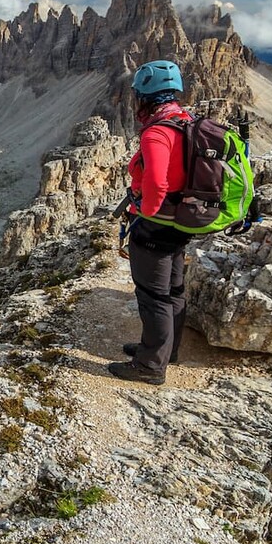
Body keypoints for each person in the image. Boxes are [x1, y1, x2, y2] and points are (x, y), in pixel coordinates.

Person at [107, 60, 194, 386]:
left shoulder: (157, 132)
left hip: (157, 223)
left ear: (144, 96)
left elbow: (156, 182)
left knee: (153, 295)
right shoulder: (185, 120)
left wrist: (145, 214)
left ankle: (150, 365)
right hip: (182, 220)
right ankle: (165, 349)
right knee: (173, 288)